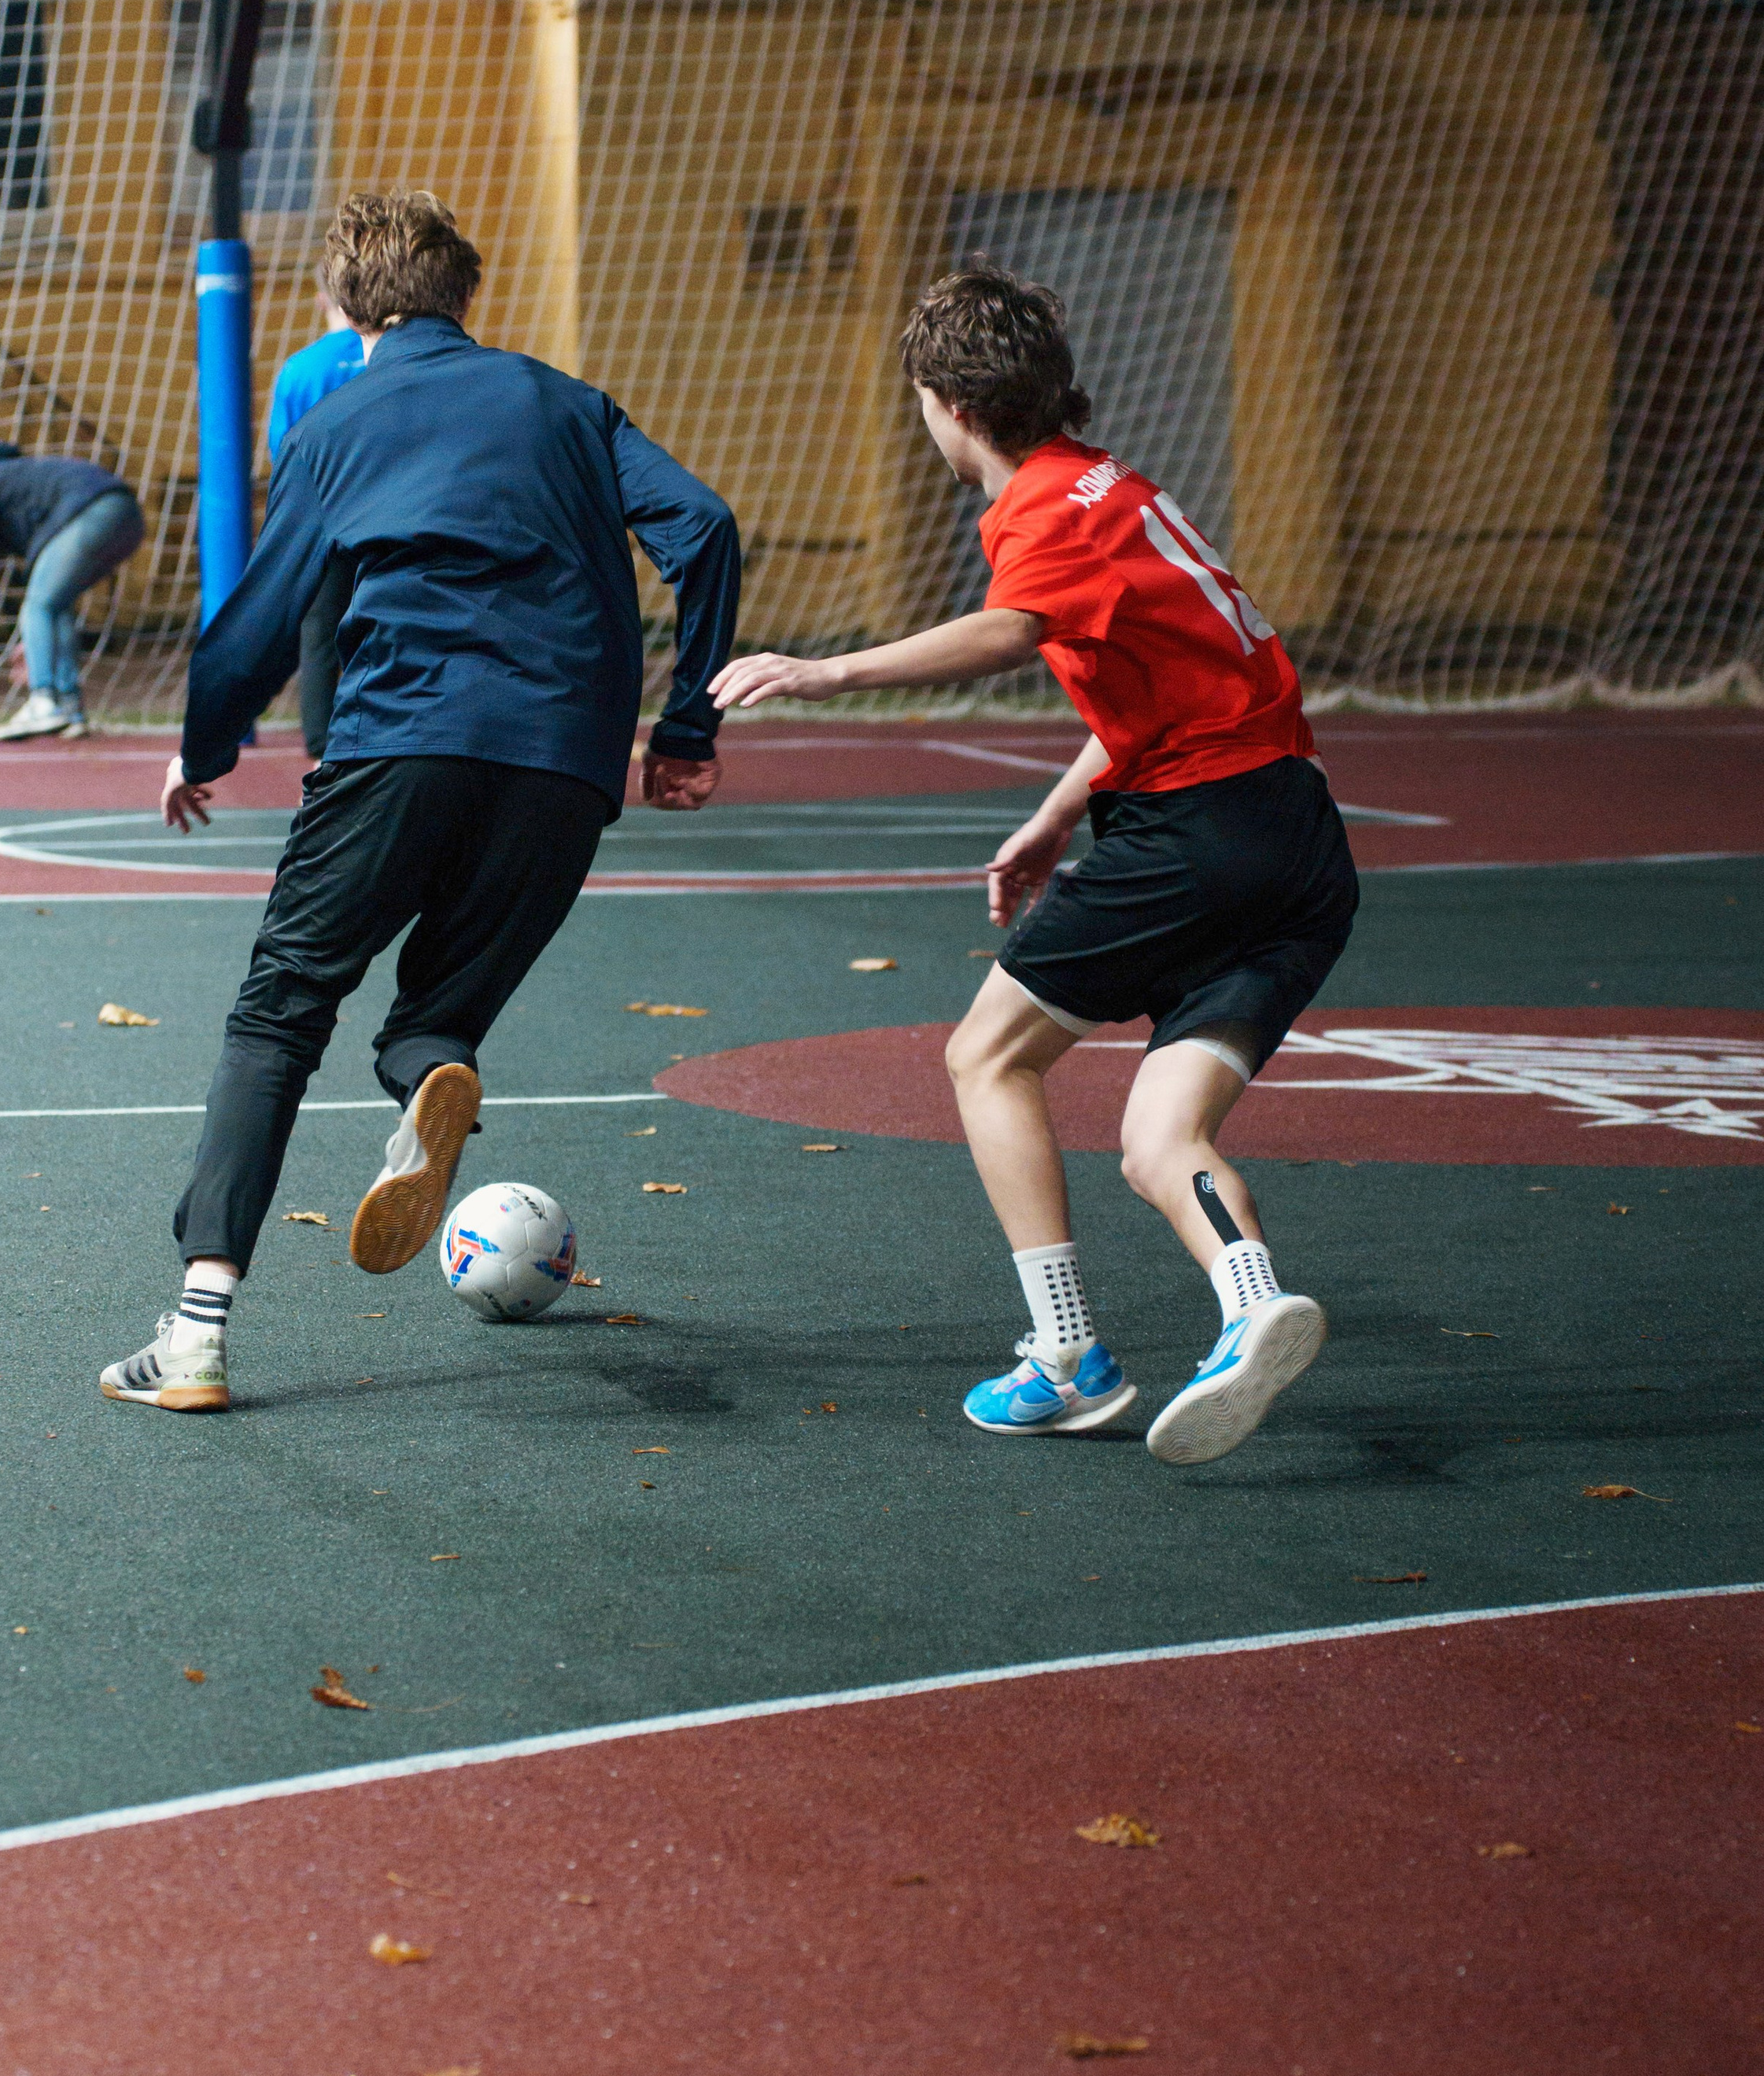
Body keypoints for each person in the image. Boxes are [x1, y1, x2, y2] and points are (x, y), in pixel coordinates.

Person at [101, 186, 740, 1413]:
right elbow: (704, 527)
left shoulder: (339, 421)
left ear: (344, 308)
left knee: (280, 1011)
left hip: (402, 739)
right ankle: (430, 1065)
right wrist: (688, 724)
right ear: (466, 297)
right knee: (434, 1012)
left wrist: (207, 743)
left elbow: (265, 613)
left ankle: (194, 1336)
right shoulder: (569, 403)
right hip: (567, 758)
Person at [710, 260, 1358, 1468]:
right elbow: (1157, 686)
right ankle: (1254, 1301)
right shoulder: (1118, 492)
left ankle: (1067, 1354)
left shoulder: (1044, 509)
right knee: (1162, 1138)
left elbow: (1012, 631)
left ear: (950, 404)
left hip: (1200, 835)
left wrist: (824, 671)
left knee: (986, 1055)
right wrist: (1064, 810)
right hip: (1299, 847)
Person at [0, 444, 147, 743]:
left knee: (39, 605)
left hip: (92, 512)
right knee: (55, 605)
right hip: (128, 516)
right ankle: (69, 706)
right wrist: (38, 643)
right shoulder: (21, 485)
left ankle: (43, 701)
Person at [266, 269, 366, 760]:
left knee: (321, 631)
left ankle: (322, 739)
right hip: (386, 514)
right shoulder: (386, 361)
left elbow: (282, 453)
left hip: (323, 516)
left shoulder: (300, 370)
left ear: (322, 296)